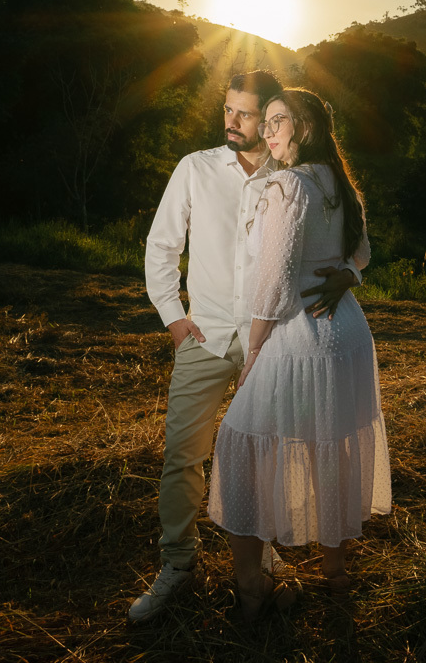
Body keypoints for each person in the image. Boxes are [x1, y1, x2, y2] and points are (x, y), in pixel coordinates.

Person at [129, 72, 358, 623]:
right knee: (183, 455)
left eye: (247, 113)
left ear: (275, 119)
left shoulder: (295, 176)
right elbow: (161, 247)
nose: (231, 120)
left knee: (267, 458)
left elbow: (342, 240)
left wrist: (349, 271)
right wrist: (174, 320)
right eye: (227, 109)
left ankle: (265, 563)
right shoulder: (196, 169)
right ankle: (178, 565)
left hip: (277, 343)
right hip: (205, 337)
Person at [207, 88, 391, 621]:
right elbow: (363, 252)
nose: (266, 131)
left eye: (277, 121)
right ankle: (337, 579)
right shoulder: (339, 184)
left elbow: (275, 280)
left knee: (238, 443)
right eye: (263, 122)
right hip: (347, 334)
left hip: (300, 338)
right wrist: (349, 276)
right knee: (325, 449)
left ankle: (250, 593)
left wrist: (255, 350)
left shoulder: (288, 184)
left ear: (304, 127)